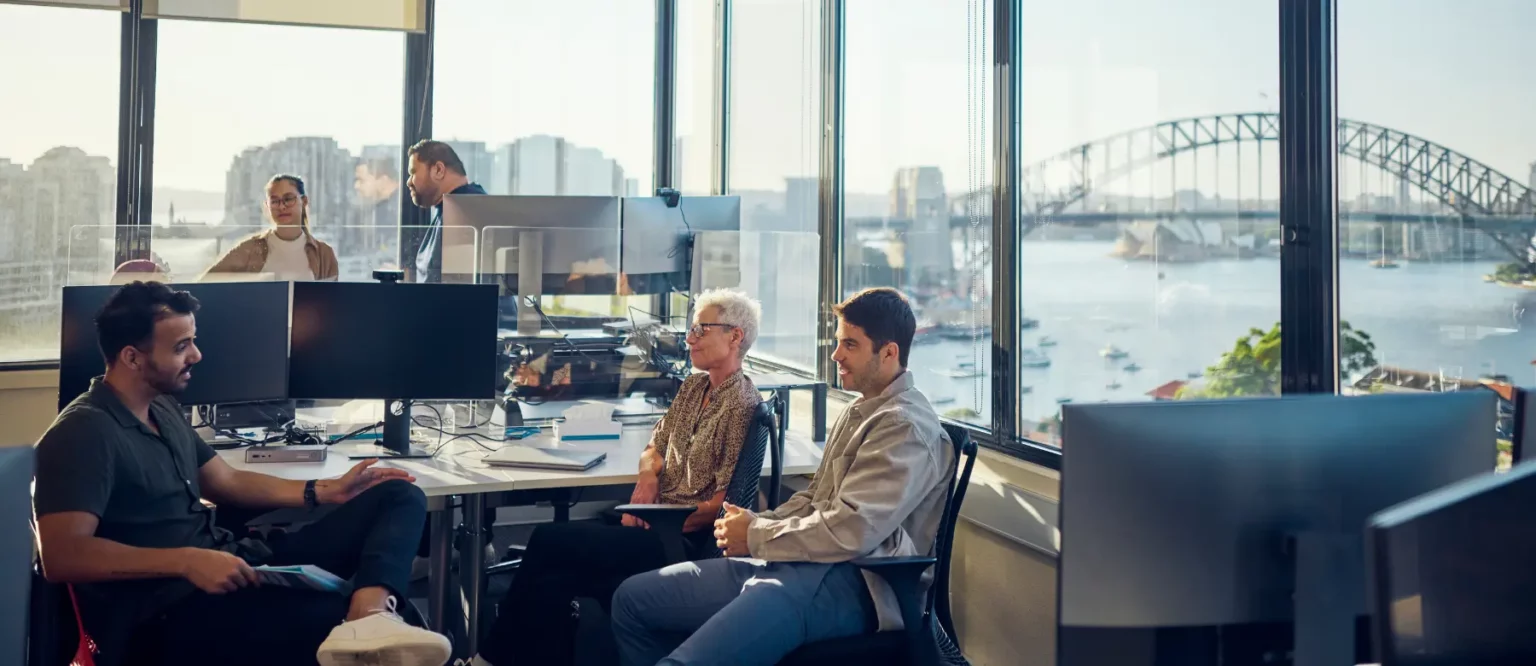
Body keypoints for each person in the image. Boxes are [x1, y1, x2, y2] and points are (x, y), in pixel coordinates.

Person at [33, 281, 450, 666]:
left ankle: (369, 615)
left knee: (398, 495)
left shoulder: (160, 407)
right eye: (182, 346)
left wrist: (324, 490)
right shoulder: (83, 432)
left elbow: (226, 482)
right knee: (333, 616)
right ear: (131, 357)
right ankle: (363, 623)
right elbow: (62, 555)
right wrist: (186, 561)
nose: (196, 355)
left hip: (232, 566)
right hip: (169, 612)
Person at [610, 287, 955, 666]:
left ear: (889, 352)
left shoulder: (904, 427)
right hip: (800, 559)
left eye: (850, 345)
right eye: (838, 342)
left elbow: (852, 531)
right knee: (632, 600)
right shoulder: (864, 409)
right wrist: (760, 523)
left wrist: (757, 535)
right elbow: (815, 500)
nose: (836, 355)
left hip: (854, 583)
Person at [461, 289, 765, 666]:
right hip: (654, 519)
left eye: (701, 329)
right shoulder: (694, 387)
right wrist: (647, 479)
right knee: (552, 582)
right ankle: (495, 660)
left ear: (735, 336)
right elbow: (654, 445)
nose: (689, 338)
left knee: (548, 541)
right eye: (690, 329)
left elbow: (725, 506)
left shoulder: (742, 405)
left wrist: (655, 516)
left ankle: (485, 660)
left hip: (678, 540)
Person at [202, 174, 339, 282]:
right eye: (274, 201)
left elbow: (330, 305)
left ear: (304, 201)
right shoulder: (249, 249)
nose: (281, 206)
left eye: (288, 198)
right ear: (267, 206)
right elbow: (205, 285)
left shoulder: (324, 254)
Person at [404, 140, 486, 284]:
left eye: (413, 173)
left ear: (438, 170)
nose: (409, 182)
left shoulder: (465, 211)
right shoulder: (449, 210)